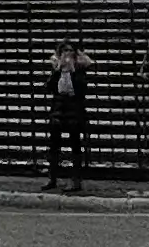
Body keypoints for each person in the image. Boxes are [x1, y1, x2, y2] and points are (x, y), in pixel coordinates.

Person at [42, 42, 93, 192]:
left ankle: (75, 180)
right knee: (54, 146)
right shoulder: (56, 68)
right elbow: (49, 87)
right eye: (65, 51)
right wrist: (58, 71)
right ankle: (52, 178)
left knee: (75, 146)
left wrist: (72, 71)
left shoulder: (80, 69)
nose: (67, 54)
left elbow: (82, 89)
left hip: (74, 110)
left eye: (70, 51)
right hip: (58, 110)